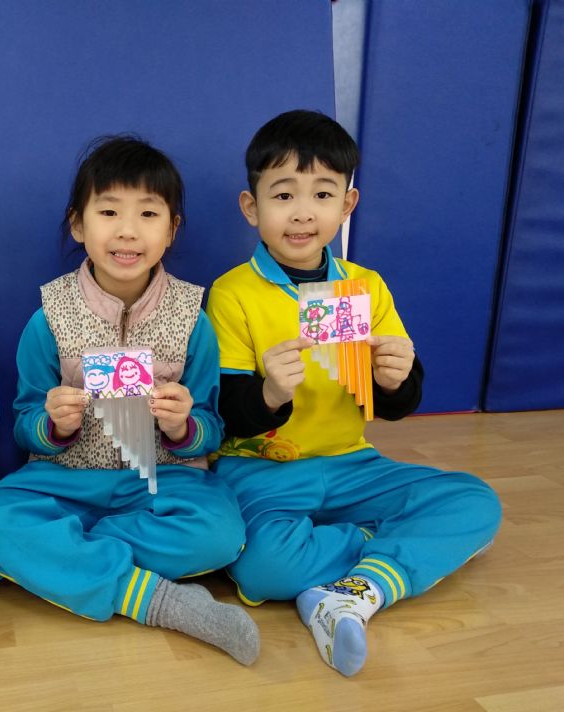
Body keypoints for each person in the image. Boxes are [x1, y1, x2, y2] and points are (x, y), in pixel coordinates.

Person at [206, 109, 502, 676]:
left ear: (347, 205)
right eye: (283, 195)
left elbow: (398, 403)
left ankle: (356, 589)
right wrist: (269, 393)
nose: (302, 212)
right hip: (260, 469)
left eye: (323, 194)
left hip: (351, 463)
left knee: (475, 501)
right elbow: (226, 414)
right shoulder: (232, 293)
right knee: (266, 569)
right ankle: (387, 548)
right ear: (252, 207)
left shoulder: (366, 286)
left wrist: (395, 380)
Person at [0, 136, 260, 665]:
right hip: (64, 481)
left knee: (221, 533)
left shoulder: (194, 318)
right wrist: (52, 425)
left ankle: (70, 554)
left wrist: (183, 426)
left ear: (171, 230)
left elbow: (212, 426)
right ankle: (155, 598)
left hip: (164, 483)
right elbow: (23, 421)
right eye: (108, 212)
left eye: (148, 214)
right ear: (78, 225)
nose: (128, 230)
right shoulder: (49, 317)